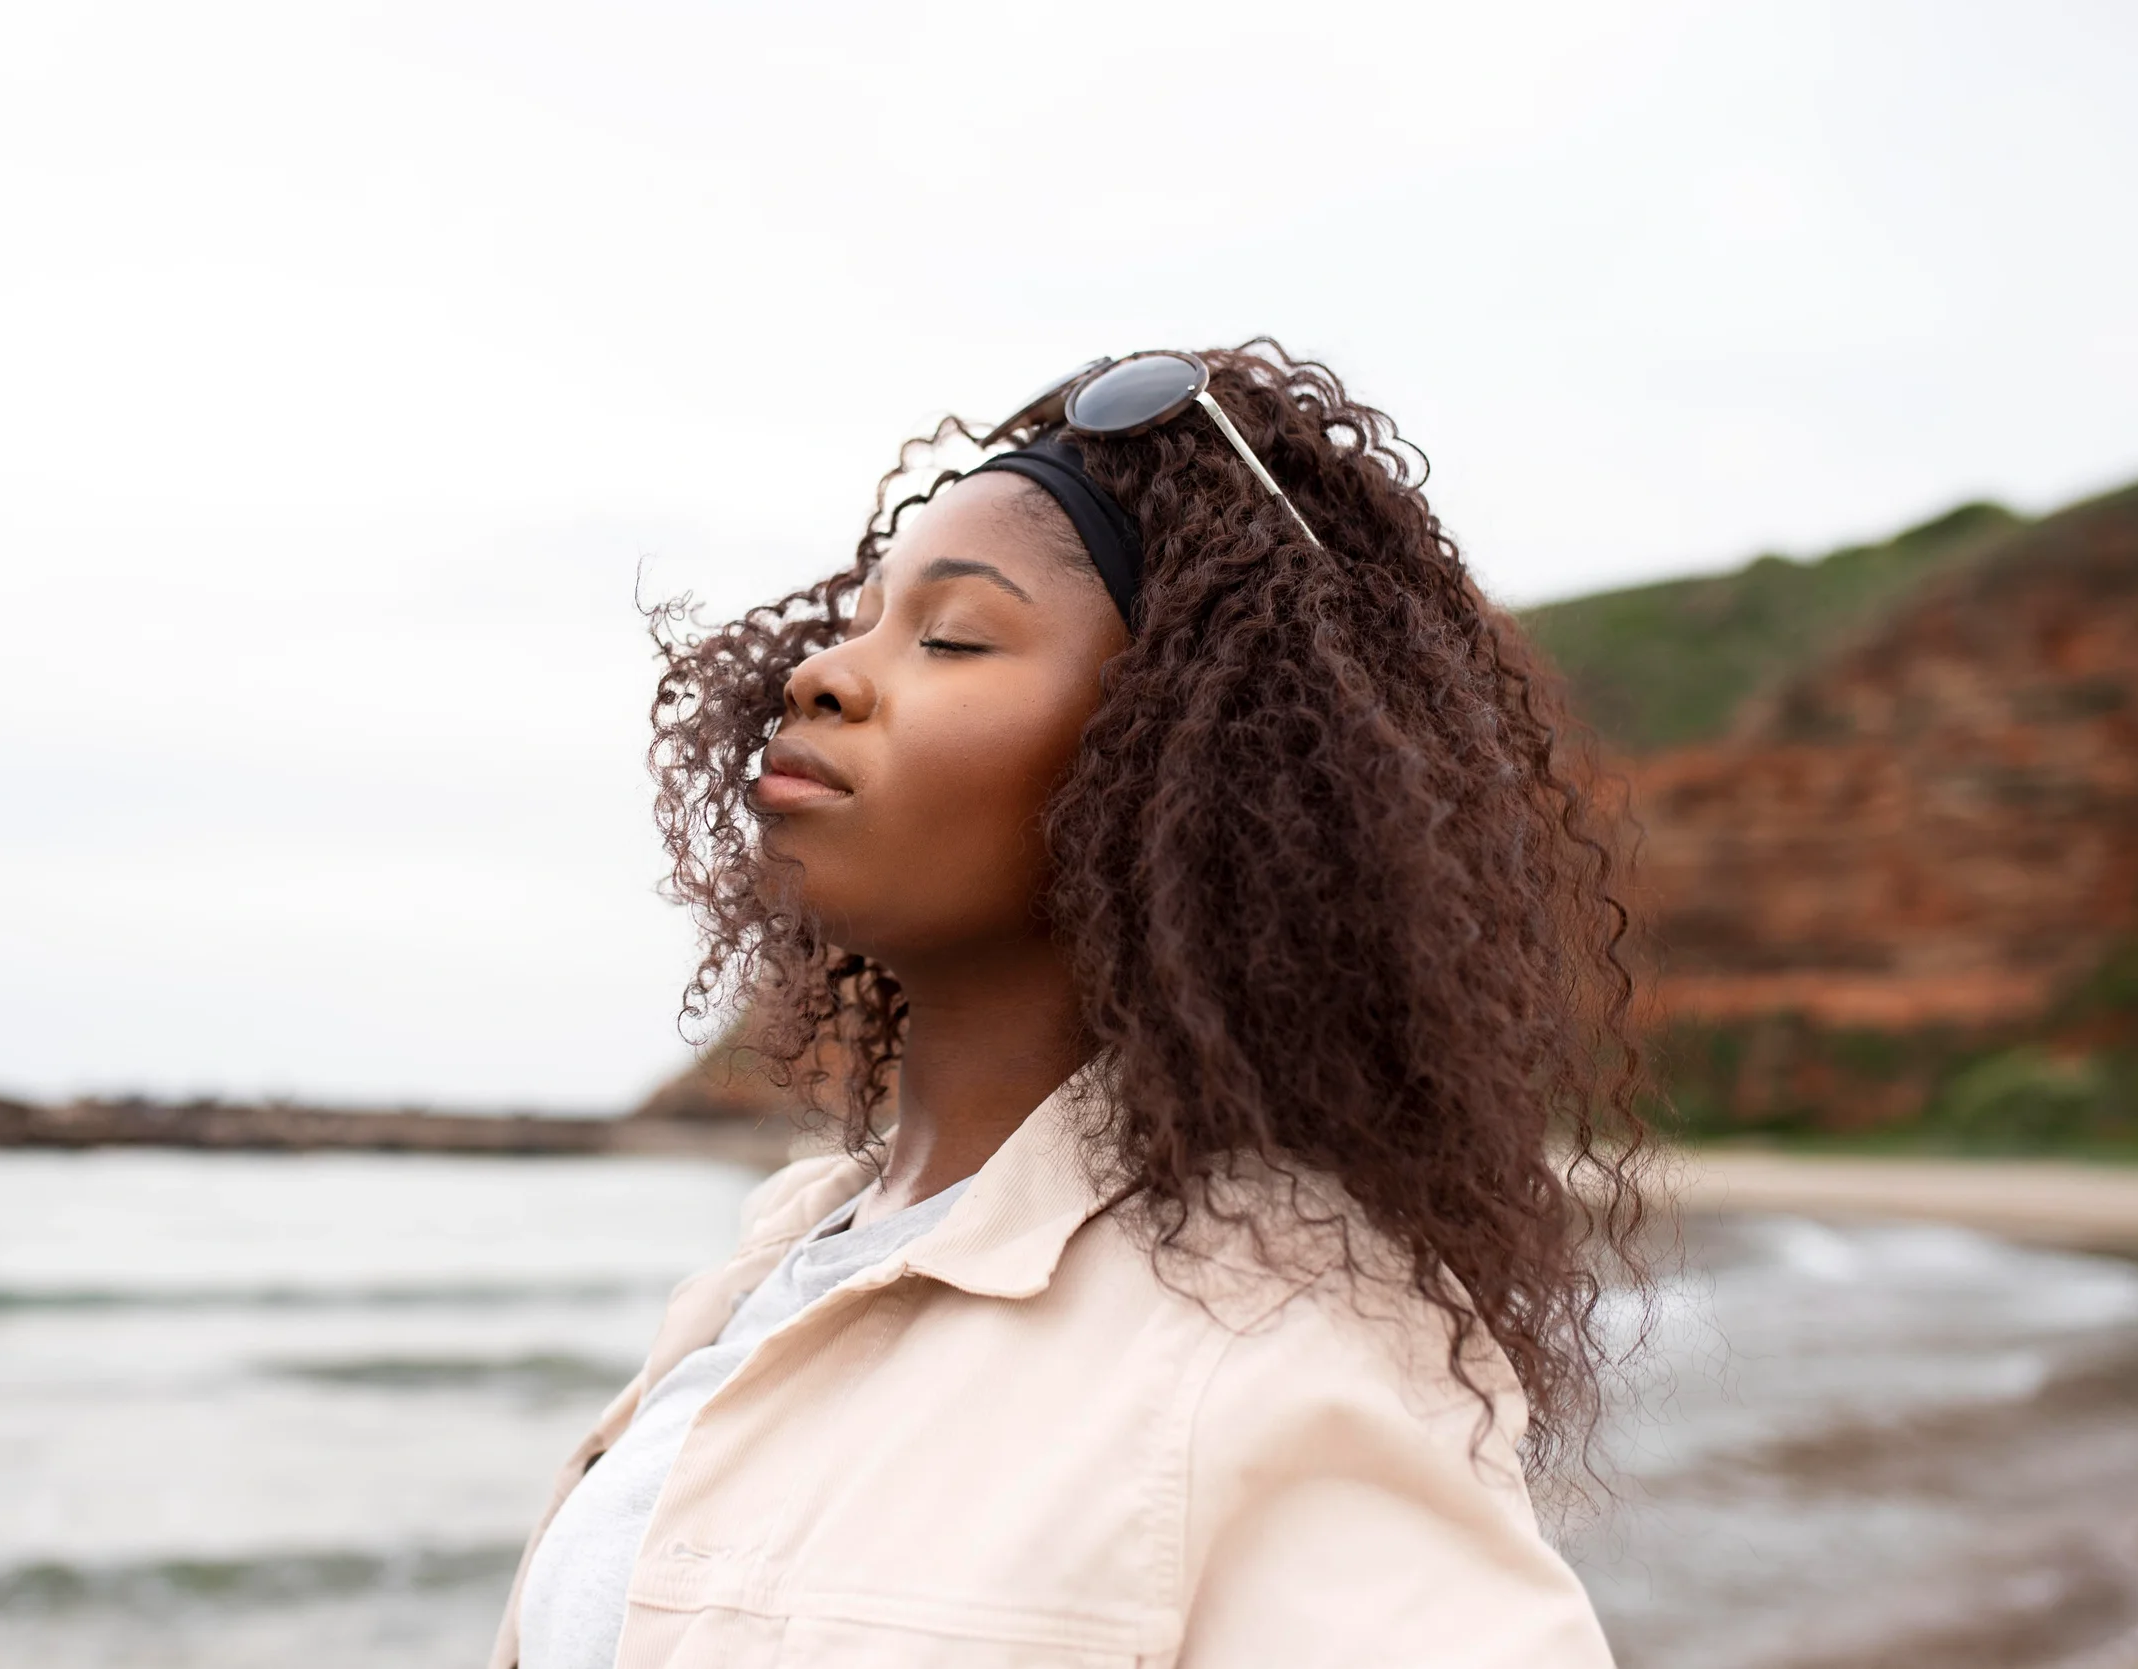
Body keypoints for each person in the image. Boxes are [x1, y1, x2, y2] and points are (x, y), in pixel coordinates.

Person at [491, 342, 1647, 1668]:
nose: (821, 676)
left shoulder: (1275, 1343)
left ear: (1178, 767)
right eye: (854, 623)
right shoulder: (785, 1258)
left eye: (954, 637)